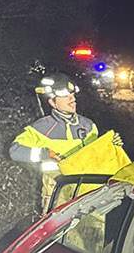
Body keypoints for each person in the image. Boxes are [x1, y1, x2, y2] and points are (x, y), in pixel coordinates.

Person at [9, 75, 110, 207]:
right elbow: (15, 151)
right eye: (66, 96)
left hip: (87, 191)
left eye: (72, 95)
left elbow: (98, 155)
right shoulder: (42, 128)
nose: (72, 99)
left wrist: (111, 145)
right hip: (57, 193)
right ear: (52, 102)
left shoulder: (88, 126)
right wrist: (45, 154)